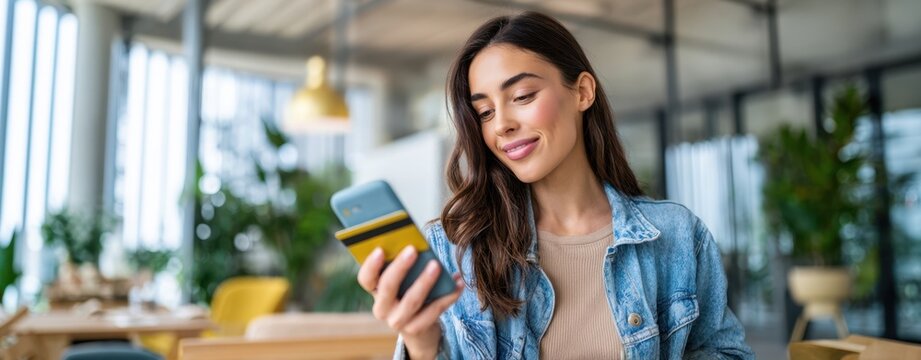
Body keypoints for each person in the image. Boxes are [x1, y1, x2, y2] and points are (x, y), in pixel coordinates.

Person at [357, 11, 754, 360]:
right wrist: (421, 345)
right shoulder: (458, 247)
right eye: (485, 111)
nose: (501, 125)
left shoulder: (677, 237)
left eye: (523, 96)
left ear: (582, 91)